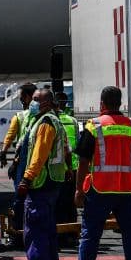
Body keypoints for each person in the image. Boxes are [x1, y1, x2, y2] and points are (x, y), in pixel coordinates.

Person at [65, 86, 131, 260]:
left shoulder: (95, 126)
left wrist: (78, 190)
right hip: (127, 190)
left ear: (101, 104)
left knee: (90, 237)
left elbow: (83, 162)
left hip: (99, 190)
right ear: (120, 104)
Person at [17, 88, 69, 260]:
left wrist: (26, 179)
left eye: (36, 99)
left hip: (41, 183)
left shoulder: (45, 123)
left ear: (46, 102)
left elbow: (39, 155)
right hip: (52, 182)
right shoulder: (54, 120)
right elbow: (64, 150)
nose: (32, 102)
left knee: (35, 232)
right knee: (48, 232)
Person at [0, 83, 38, 236]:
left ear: (28, 97)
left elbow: (10, 135)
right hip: (38, 162)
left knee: (20, 196)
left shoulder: (20, 116)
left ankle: (18, 230)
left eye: (22, 97)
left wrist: (3, 152)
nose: (21, 101)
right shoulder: (47, 116)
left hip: (22, 161)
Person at [55, 93, 81, 227]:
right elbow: (77, 143)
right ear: (65, 103)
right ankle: (72, 230)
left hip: (56, 168)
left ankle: (60, 231)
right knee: (71, 202)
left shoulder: (50, 120)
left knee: (57, 202)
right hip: (73, 167)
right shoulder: (73, 121)